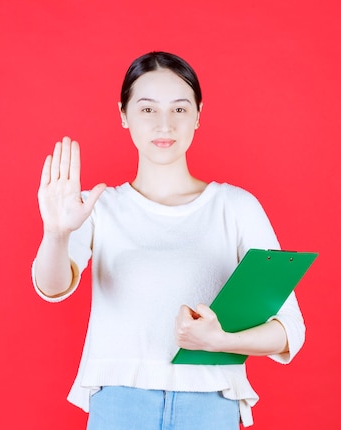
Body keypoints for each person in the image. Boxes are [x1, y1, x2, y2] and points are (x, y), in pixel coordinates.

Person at [32, 51, 305, 429]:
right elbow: (52, 286)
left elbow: (289, 330)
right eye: (147, 109)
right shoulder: (101, 207)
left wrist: (218, 341)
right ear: (124, 115)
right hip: (119, 401)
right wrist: (57, 234)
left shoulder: (236, 207)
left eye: (179, 109)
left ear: (198, 115)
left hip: (209, 403)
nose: (164, 125)